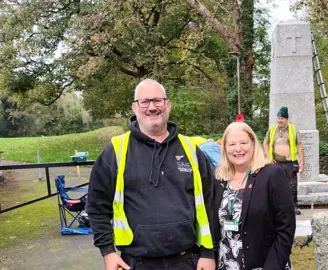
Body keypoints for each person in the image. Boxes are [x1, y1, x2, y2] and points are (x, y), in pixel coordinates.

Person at [86, 79, 216, 270]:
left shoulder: (191, 150)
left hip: (188, 261)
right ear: (134, 107)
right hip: (136, 263)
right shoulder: (115, 151)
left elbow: (210, 203)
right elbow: (97, 207)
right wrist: (108, 252)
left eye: (157, 100)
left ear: (168, 104)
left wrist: (208, 253)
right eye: (144, 102)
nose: (152, 107)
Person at [213, 122, 296, 270]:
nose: (238, 149)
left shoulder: (272, 175)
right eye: (232, 144)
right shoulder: (218, 178)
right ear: (225, 148)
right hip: (226, 263)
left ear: (253, 144)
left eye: (243, 142)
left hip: (265, 263)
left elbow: (286, 228)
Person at [263, 106, 305, 215]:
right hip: (276, 162)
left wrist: (301, 162)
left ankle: (294, 206)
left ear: (287, 119)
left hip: (290, 163)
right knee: (275, 185)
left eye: (282, 118)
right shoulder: (272, 129)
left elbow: (299, 145)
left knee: (292, 185)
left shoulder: (293, 129)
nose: (279, 120)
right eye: (278, 118)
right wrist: (269, 157)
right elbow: (265, 143)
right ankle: (276, 206)